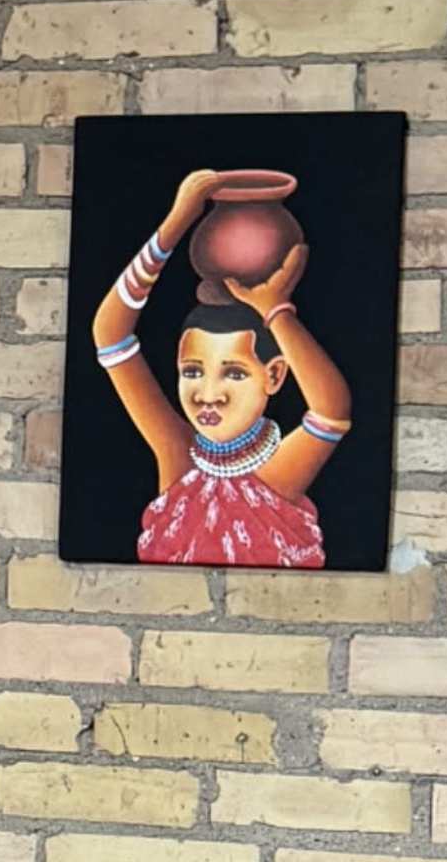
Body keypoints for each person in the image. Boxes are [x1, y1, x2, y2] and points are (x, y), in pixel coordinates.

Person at [90, 164, 350, 565]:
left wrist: (277, 312)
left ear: (274, 374)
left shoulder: (277, 474)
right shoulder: (178, 454)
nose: (207, 394)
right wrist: (175, 225)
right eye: (192, 372)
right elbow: (109, 334)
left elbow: (332, 411)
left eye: (234, 373)